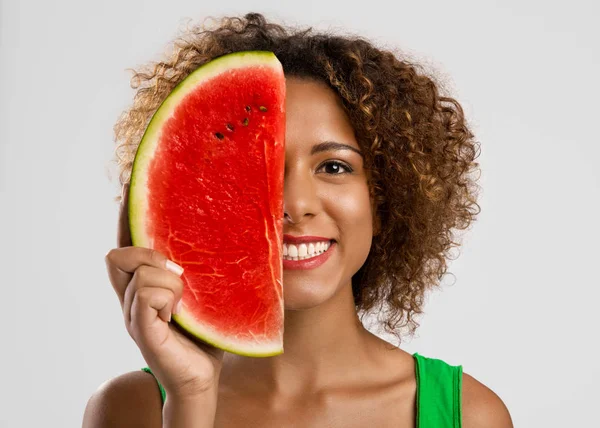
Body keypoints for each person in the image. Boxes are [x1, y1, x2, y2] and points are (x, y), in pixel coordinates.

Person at [83, 12, 513, 428]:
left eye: (334, 167)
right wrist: (190, 396)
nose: (295, 203)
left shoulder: (470, 415)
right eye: (254, 170)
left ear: (384, 203)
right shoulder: (130, 409)